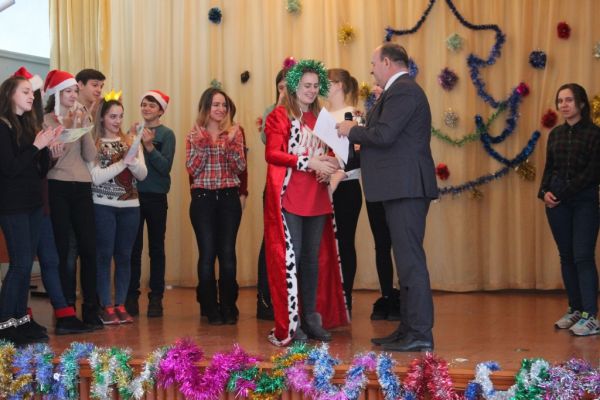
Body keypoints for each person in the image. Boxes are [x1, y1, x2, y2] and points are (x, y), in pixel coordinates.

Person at [337, 43, 438, 352]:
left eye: (373, 63)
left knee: (410, 262)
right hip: (399, 187)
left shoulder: (404, 90)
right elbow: (387, 132)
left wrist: (352, 129)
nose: (371, 70)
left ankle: (419, 332)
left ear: (387, 62)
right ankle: (408, 328)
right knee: (404, 262)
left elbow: (384, 135)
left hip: (406, 187)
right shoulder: (397, 92)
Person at [264, 59, 348, 346]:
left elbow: (332, 151)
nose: (311, 91)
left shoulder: (321, 117)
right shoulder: (279, 116)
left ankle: (312, 318)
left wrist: (328, 165)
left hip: (317, 196)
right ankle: (293, 320)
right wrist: (308, 162)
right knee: (293, 258)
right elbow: (272, 153)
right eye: (306, 86)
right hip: (291, 195)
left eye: (315, 86)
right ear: (294, 86)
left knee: (312, 259)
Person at [0, 76, 60, 344]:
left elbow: (39, 170)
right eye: (25, 91)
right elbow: (10, 168)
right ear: (9, 94)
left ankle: (20, 319)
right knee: (20, 264)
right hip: (12, 205)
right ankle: (5, 323)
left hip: (33, 204)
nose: (31, 96)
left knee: (25, 266)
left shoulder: (27, 125)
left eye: (32, 92)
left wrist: (50, 152)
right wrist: (37, 146)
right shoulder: (2, 126)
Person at [43, 69, 104, 330]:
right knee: (65, 251)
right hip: (58, 185)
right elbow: (51, 160)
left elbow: (90, 155)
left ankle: (91, 308)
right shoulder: (45, 120)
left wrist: (84, 126)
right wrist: (67, 126)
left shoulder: (81, 115)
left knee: (89, 248)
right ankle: (66, 311)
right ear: (56, 93)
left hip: (82, 186)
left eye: (74, 91)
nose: (72, 95)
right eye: (67, 91)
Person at [539, 83, 600, 336]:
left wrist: (562, 193)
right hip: (557, 205)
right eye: (560, 100)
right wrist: (544, 192)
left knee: (582, 256)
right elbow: (549, 168)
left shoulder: (595, 134)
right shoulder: (556, 134)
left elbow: (592, 174)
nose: (563, 105)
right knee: (566, 256)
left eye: (569, 100)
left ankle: (590, 316)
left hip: (585, 203)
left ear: (581, 103)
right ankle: (575, 308)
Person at [186, 88, 246, 326]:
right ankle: (210, 307)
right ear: (206, 108)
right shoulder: (194, 134)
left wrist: (230, 145)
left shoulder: (235, 132)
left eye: (224, 105)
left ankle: (229, 306)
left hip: (229, 197)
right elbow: (192, 169)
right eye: (215, 105)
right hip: (203, 199)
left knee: (228, 254)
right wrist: (204, 144)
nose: (221, 109)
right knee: (207, 254)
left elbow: (240, 167)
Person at [88, 92, 147, 325]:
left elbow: (142, 174)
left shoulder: (130, 141)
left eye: (120, 116)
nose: (117, 121)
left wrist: (132, 161)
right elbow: (96, 177)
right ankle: (106, 305)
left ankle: (121, 304)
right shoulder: (94, 143)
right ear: (102, 118)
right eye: (112, 116)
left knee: (124, 256)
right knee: (104, 256)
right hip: (103, 206)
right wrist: (123, 163)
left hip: (130, 206)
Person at [126, 90, 176, 318]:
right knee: (133, 249)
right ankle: (131, 297)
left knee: (156, 249)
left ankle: (156, 298)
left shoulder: (167, 134)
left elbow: (165, 167)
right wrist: (129, 139)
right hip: (133, 197)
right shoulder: (134, 130)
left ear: (161, 111)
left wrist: (149, 147)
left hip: (156, 197)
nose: (146, 108)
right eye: (144, 104)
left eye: (152, 105)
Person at [256, 68, 287, 321]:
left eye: (289, 86)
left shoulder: (305, 112)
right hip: (275, 183)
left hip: (300, 186)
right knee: (270, 240)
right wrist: (279, 107)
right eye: (280, 86)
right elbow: (268, 141)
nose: (284, 90)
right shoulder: (271, 111)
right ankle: (265, 300)